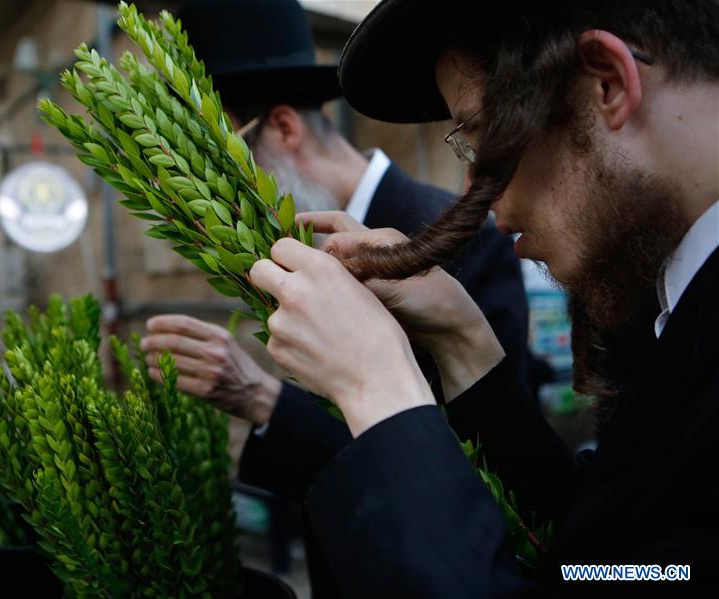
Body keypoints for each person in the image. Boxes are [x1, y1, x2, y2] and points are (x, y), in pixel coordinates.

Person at [245, 0, 719, 595]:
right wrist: (464, 342)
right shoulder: (678, 311)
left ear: (607, 82)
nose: (484, 201)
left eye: (480, 139)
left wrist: (380, 391)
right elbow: (607, 560)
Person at [142, 0, 530, 595]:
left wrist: (268, 397)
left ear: (283, 127)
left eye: (218, 167)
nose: (214, 201)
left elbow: (499, 468)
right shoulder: (302, 245)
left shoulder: (462, 232)